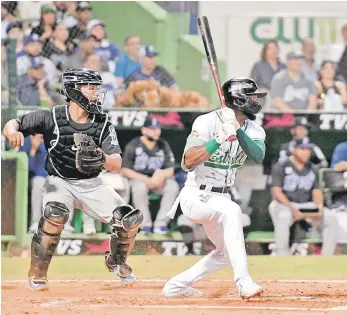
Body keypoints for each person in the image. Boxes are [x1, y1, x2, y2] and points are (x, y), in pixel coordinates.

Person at [2, 68, 143, 290]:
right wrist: (11, 132)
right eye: (90, 87)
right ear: (73, 90)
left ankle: (116, 261)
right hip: (59, 181)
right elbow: (14, 123)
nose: (96, 92)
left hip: (92, 183)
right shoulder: (52, 116)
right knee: (54, 215)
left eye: (97, 87)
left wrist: (101, 157)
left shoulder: (102, 122)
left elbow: (116, 162)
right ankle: (37, 273)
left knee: (129, 219)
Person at [162, 78, 267, 299]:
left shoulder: (254, 129)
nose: (256, 100)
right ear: (239, 99)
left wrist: (236, 131)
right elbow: (188, 161)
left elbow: (258, 155)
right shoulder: (206, 122)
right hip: (196, 195)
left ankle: (176, 286)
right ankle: (243, 281)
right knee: (232, 211)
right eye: (252, 96)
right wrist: (219, 138)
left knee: (225, 254)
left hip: (221, 196)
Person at [269, 138, 338, 256]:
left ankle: (327, 257)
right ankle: (282, 256)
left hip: (306, 205)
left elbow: (317, 192)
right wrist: (292, 208)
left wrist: (319, 208)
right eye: (302, 149)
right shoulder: (281, 165)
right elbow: (276, 193)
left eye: (308, 149)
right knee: (283, 216)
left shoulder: (312, 168)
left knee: (330, 217)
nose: (306, 152)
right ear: (293, 150)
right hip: (285, 205)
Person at [121, 116, 179, 234]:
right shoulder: (134, 145)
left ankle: (161, 224)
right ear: (144, 130)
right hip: (139, 178)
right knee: (139, 188)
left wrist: (161, 174)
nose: (156, 131)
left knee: (173, 187)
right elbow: (125, 170)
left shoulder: (163, 145)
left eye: (157, 128)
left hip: (158, 181)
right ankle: (145, 225)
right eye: (152, 128)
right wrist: (146, 179)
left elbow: (171, 169)